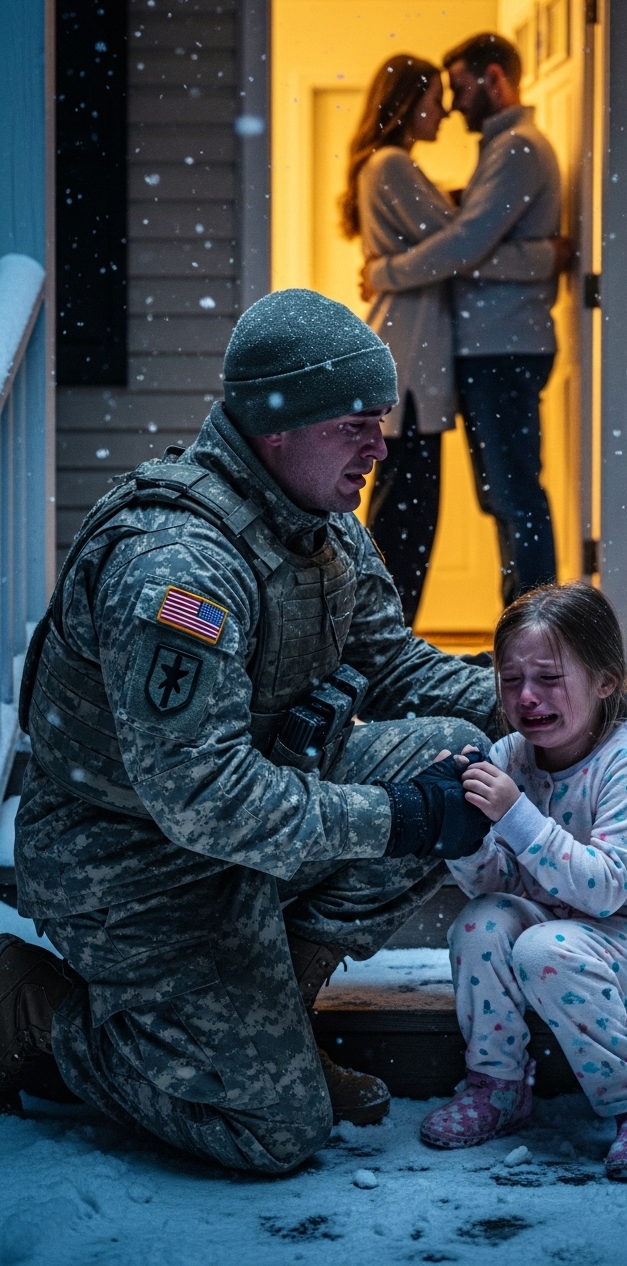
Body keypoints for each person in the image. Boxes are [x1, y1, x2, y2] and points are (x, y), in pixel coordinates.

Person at [1, 288, 502, 1175]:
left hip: (247, 823)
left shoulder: (320, 526)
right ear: (280, 428)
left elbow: (398, 668)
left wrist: (568, 708)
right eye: (355, 426)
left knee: (449, 760)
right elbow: (202, 797)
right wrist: (397, 818)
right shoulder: (178, 568)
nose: (380, 448)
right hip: (127, 862)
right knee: (272, 1133)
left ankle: (277, 1027)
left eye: (379, 423)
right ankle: (33, 1011)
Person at [419, 582, 627, 1181]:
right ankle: (497, 1085)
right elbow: (501, 884)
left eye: (549, 678)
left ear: (605, 682)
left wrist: (515, 815)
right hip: (560, 932)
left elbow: (602, 891)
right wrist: (461, 835)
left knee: (543, 950)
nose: (527, 696)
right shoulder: (510, 756)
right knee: (480, 924)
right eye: (510, 679)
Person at [344, 53, 561, 626]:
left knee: (411, 512)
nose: (443, 111)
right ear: (406, 104)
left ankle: (383, 637)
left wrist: (388, 268)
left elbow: (459, 238)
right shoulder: (392, 164)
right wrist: (545, 256)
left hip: (420, 355)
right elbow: (461, 244)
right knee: (405, 515)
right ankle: (380, 638)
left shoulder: (397, 166)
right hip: (412, 359)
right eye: (435, 99)